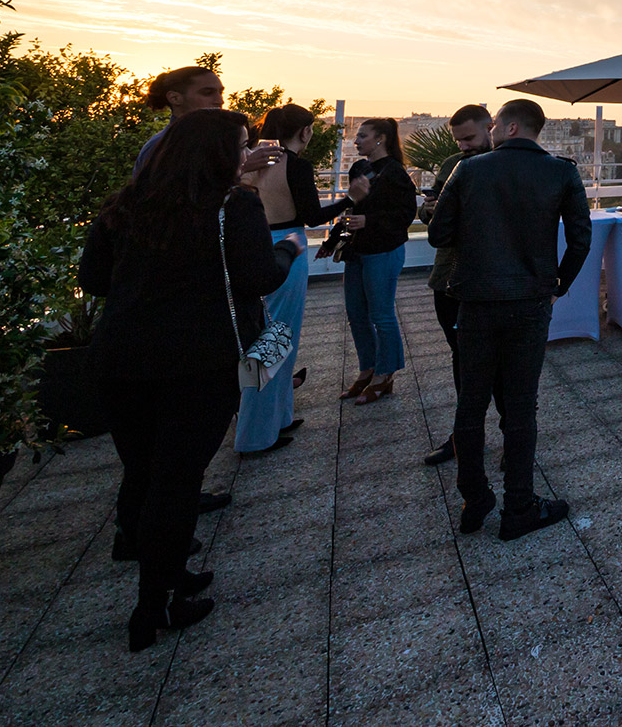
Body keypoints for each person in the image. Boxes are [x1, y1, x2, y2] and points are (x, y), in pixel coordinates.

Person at [79, 108, 307, 650]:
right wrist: (286, 248)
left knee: (143, 470)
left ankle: (166, 574)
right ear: (218, 154)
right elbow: (256, 277)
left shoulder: (126, 204)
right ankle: (154, 605)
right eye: (241, 144)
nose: (246, 154)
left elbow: (93, 279)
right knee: (176, 483)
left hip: (120, 362)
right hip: (198, 365)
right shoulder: (234, 205)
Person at [429, 98, 590, 540]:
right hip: (531, 301)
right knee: (521, 405)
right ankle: (518, 505)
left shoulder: (470, 170)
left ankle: (475, 497)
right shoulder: (561, 171)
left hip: (476, 299)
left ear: (514, 127)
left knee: (471, 400)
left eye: (497, 123)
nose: (493, 129)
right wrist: (560, 285)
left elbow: (438, 233)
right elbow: (580, 240)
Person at [233, 104, 336, 453]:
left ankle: (277, 419)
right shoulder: (296, 165)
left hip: (253, 244)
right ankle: (255, 435)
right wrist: (352, 199)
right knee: (276, 340)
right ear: (305, 131)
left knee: (268, 336)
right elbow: (311, 216)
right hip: (287, 248)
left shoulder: (252, 159)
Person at [416, 104, 496, 465]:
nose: (463, 145)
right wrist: (429, 210)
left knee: (503, 365)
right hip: (448, 277)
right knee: (461, 358)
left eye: (469, 138)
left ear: (491, 127)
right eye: (458, 139)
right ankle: (463, 437)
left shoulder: (509, 164)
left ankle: (515, 435)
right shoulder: (451, 164)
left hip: (491, 280)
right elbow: (428, 208)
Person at [338, 117, 417, 405]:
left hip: (383, 251)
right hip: (357, 252)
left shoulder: (396, 174)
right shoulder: (359, 168)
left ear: (380, 138)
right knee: (356, 314)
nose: (356, 141)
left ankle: (385, 374)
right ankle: (368, 368)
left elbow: (405, 216)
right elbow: (353, 204)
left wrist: (367, 221)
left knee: (381, 315)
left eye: (362, 136)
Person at [135, 65, 278, 177]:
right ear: (175, 98)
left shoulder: (218, 140)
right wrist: (243, 166)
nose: (220, 100)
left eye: (220, 92)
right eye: (207, 93)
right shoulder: (161, 146)